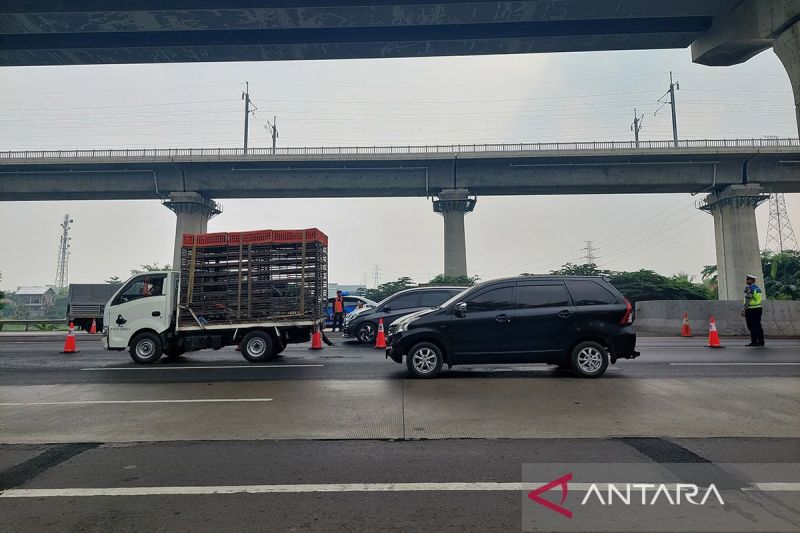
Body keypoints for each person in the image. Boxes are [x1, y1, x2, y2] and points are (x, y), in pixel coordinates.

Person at [742, 274, 765, 347]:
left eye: (747, 279)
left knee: (752, 326)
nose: (746, 281)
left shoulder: (751, 289)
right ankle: (761, 341)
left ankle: (754, 341)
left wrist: (744, 310)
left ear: (751, 280)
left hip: (752, 309)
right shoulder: (757, 288)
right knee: (758, 325)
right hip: (758, 308)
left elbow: (748, 299)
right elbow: (745, 292)